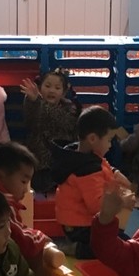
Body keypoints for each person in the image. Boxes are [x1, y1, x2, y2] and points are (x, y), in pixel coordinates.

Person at [0, 141, 59, 276]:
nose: (26, 189)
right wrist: (41, 238)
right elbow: (19, 237)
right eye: (23, 182)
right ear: (0, 176)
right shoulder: (1, 203)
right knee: (36, 249)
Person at [49, 105, 131, 258]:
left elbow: (102, 164)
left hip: (77, 223)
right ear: (92, 138)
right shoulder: (86, 170)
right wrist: (121, 202)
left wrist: (115, 172)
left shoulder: (79, 155)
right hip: (80, 227)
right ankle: (76, 248)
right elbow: (97, 207)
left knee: (122, 240)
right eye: (109, 140)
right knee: (112, 247)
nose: (110, 145)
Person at [20, 68, 80, 193]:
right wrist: (33, 101)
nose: (52, 90)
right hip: (39, 161)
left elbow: (64, 121)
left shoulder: (70, 108)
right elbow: (30, 120)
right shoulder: (35, 102)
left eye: (57, 88)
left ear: (63, 92)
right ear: (40, 88)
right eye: (47, 86)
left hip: (61, 158)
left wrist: (39, 101)